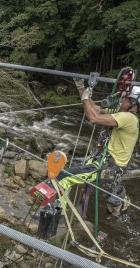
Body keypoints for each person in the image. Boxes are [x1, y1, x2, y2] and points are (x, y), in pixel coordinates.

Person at [55, 81, 139, 215]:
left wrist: (85, 97)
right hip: (105, 162)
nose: (121, 101)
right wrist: (82, 89)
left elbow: (93, 118)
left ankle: (56, 216)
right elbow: (94, 109)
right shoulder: (125, 115)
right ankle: (59, 210)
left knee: (63, 177)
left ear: (133, 103)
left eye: (125, 99)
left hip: (105, 166)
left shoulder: (128, 118)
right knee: (70, 175)